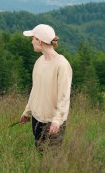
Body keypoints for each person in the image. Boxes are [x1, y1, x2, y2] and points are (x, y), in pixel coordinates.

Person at [19, 24, 73, 152]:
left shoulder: (62, 64)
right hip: (36, 120)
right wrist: (27, 112)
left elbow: (64, 96)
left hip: (53, 123)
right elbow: (35, 90)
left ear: (40, 41)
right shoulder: (39, 62)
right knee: (41, 155)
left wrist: (57, 120)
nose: (32, 41)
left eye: (33, 38)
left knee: (52, 160)